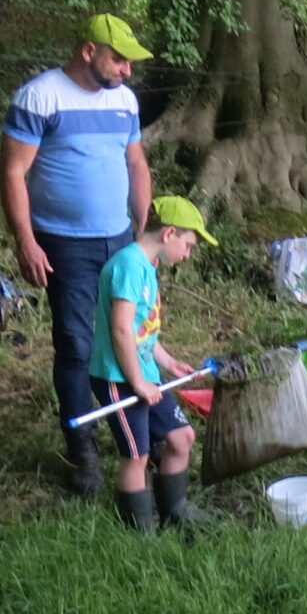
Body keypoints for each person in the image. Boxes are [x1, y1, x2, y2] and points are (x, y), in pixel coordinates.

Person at [0, 15, 155, 496]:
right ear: (89, 51)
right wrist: (26, 241)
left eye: (129, 62)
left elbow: (136, 162)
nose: (126, 70)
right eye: (118, 59)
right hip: (64, 242)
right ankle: (81, 445)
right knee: (74, 341)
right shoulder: (40, 96)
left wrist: (143, 231)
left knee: (130, 334)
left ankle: (131, 433)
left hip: (120, 239)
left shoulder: (124, 101)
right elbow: (12, 172)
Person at [90, 197, 215, 535]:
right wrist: (138, 382)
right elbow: (120, 329)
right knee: (137, 456)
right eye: (187, 245)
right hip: (118, 378)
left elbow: (142, 332)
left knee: (182, 438)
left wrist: (169, 362)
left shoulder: (147, 267)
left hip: (145, 375)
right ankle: (140, 532)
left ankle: (175, 511)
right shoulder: (129, 266)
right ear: (169, 233)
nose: (187, 255)